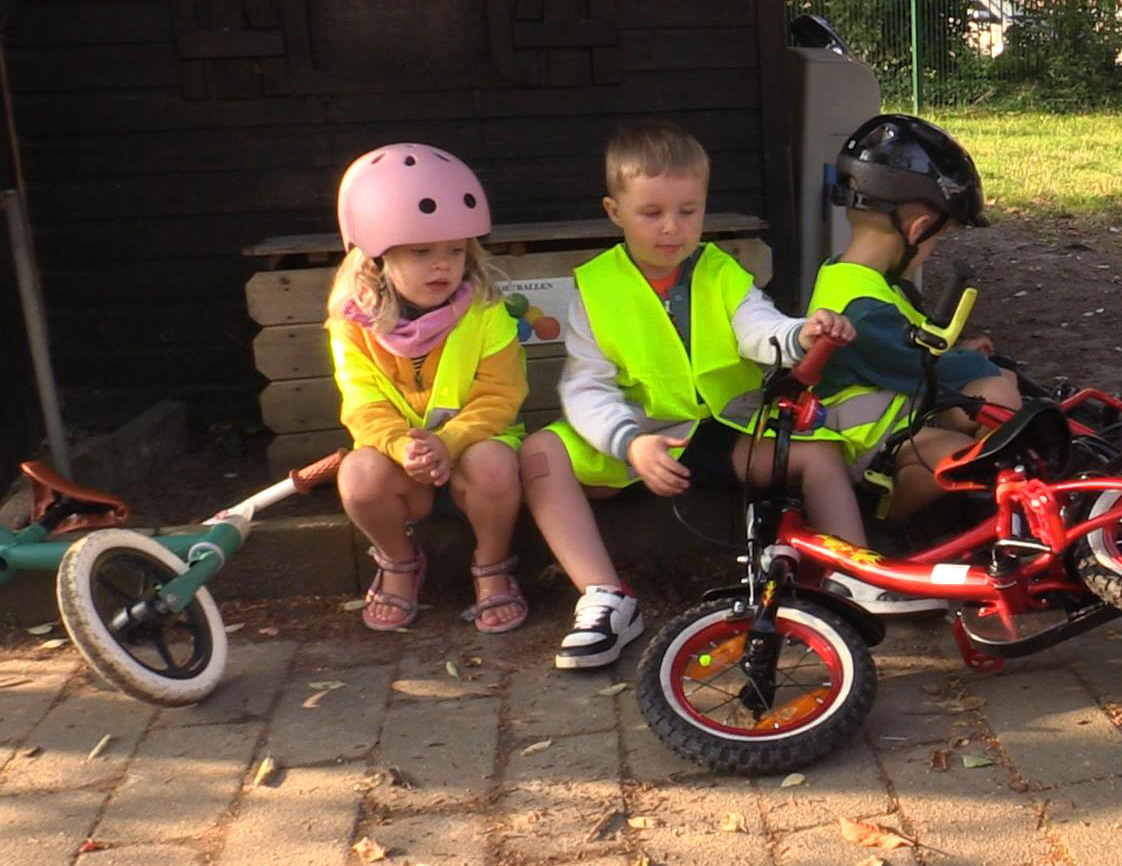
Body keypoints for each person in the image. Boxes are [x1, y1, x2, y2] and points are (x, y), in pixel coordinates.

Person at [518, 120, 864, 669]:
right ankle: (606, 598)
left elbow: (760, 328)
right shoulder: (595, 285)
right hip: (636, 436)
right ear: (614, 212)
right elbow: (585, 388)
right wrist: (630, 443)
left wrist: (803, 335)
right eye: (651, 213)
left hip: (721, 431)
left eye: (689, 210)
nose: (672, 228)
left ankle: (856, 578)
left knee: (821, 454)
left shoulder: (722, 271)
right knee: (539, 454)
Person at [326, 143, 529, 633]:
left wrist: (449, 441)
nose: (442, 265)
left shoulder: (485, 312)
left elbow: (501, 395)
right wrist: (400, 445)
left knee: (497, 463)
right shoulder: (351, 324)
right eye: (421, 252)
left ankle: (492, 566)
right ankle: (400, 562)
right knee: (357, 478)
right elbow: (362, 401)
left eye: (455, 251)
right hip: (401, 471)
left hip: (470, 463)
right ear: (375, 259)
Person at [806, 114, 1021, 533]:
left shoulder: (858, 280)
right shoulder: (862, 309)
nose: (933, 247)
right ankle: (890, 524)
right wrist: (985, 372)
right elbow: (924, 370)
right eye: (938, 238)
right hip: (864, 450)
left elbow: (912, 349)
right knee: (980, 429)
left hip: (897, 422)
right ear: (919, 229)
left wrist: (963, 352)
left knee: (986, 412)